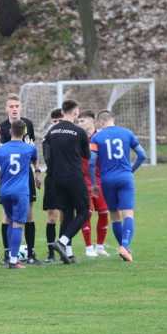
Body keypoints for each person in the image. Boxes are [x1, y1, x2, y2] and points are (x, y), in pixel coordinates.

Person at [89, 110, 147, 262]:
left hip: (107, 180)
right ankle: (125, 246)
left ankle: (124, 249)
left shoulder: (96, 137)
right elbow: (142, 155)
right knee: (128, 215)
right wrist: (130, 170)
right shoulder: (127, 133)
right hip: (125, 178)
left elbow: (91, 161)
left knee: (114, 216)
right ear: (113, 119)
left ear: (100, 122)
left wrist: (94, 183)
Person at [42, 100, 91, 265]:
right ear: (76, 112)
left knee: (68, 213)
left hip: (56, 178)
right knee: (84, 211)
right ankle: (62, 242)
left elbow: (47, 157)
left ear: (62, 113)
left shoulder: (51, 131)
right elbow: (87, 155)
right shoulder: (79, 132)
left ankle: (68, 254)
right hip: (74, 177)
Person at [0, 93, 41, 264]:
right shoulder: (2, 127)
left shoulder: (28, 124)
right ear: (6, 108)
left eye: (17, 106)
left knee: (29, 214)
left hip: (25, 176)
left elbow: (33, 151)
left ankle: (31, 253)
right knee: (7, 216)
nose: (14, 109)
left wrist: (37, 173)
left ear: (21, 107)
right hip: (9, 178)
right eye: (11, 106)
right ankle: (8, 253)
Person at [76, 109, 111, 258]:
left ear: (91, 121)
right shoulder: (77, 138)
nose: (79, 124)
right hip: (83, 183)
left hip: (100, 182)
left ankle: (100, 246)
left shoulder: (101, 137)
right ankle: (88, 247)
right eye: (78, 121)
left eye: (82, 121)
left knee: (104, 213)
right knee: (86, 214)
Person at [42, 108, 64, 263]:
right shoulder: (47, 139)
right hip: (52, 179)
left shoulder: (71, 137)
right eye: (55, 122)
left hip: (67, 180)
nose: (57, 124)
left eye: (60, 121)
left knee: (65, 215)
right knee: (52, 216)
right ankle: (51, 253)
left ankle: (65, 248)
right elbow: (48, 159)